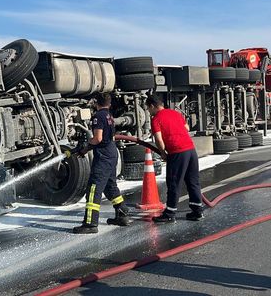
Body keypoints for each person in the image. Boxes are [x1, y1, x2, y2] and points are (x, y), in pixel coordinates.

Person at [73, 92, 131, 234]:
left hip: (103, 155)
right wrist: (85, 150)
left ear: (96, 102)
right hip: (111, 152)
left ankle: (90, 224)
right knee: (110, 185)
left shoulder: (98, 116)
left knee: (94, 188)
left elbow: (97, 138)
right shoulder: (109, 116)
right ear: (109, 104)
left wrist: (85, 145)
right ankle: (122, 213)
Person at [145, 95, 203, 223]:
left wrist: (163, 153)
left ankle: (170, 213)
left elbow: (159, 140)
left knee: (174, 182)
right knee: (193, 181)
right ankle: (197, 211)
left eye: (149, 109)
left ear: (152, 106)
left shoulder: (156, 119)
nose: (149, 112)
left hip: (177, 152)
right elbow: (187, 128)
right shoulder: (175, 113)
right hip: (191, 150)